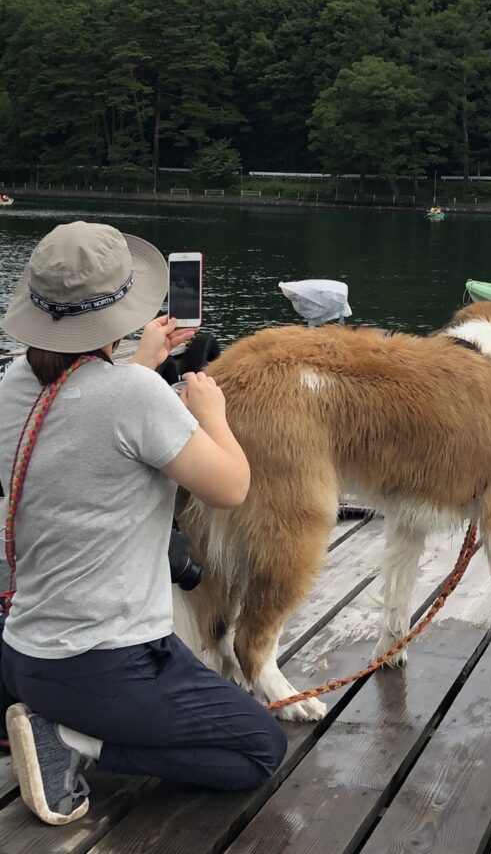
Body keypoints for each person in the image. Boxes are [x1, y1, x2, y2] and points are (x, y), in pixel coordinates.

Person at [0, 221, 286, 826]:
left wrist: (138, 363)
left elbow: (83, 416)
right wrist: (213, 413)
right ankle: (76, 742)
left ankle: (61, 722)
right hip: (104, 664)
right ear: (120, 308)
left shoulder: (14, 381)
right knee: (259, 749)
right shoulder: (133, 395)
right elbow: (231, 486)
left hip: (27, 651)